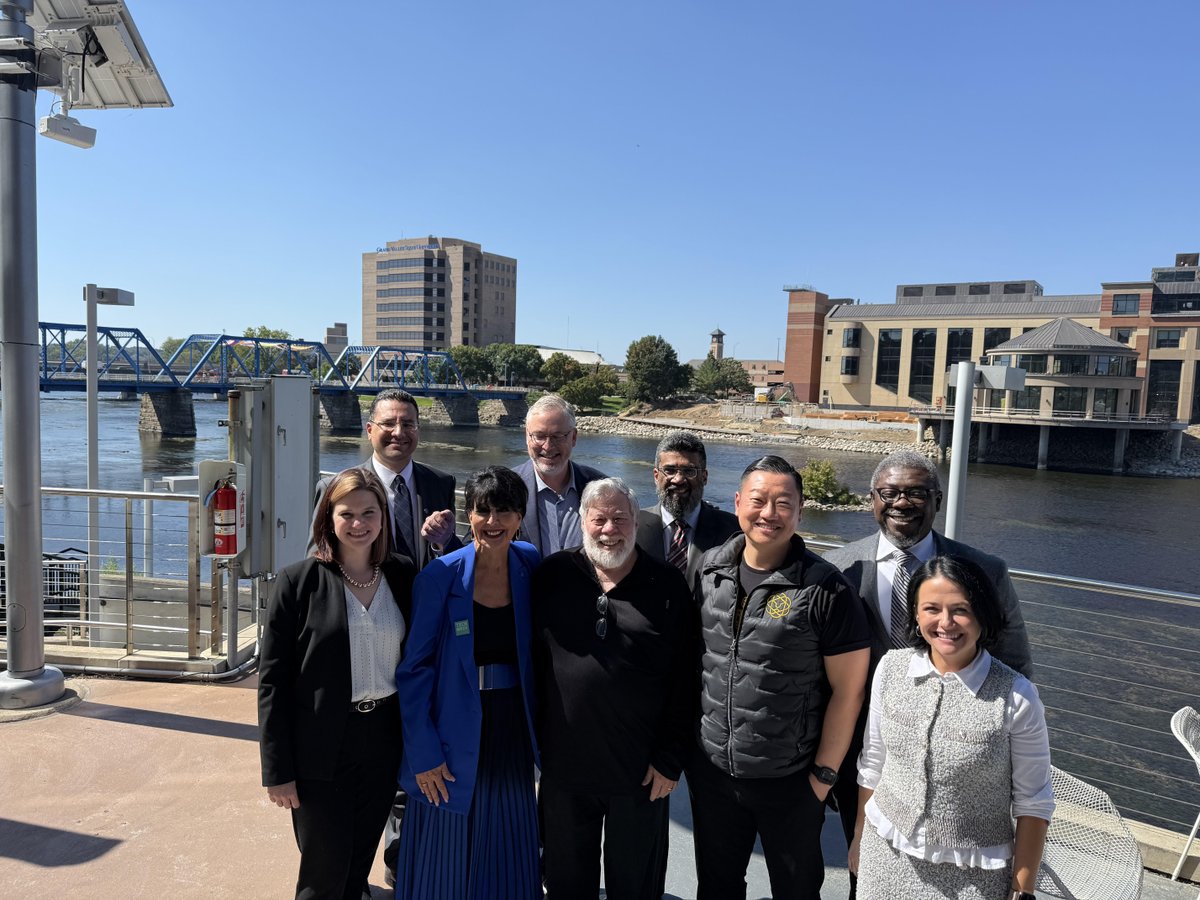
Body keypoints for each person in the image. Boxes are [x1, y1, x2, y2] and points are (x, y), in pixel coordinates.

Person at [823, 449, 1034, 888]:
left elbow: (1015, 663)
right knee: (863, 866)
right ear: (872, 500)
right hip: (859, 752)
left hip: (964, 768)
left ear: (937, 500)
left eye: (917, 492)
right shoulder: (837, 569)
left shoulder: (985, 571)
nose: (903, 502)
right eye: (890, 492)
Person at [688, 455, 871, 900]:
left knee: (796, 889)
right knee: (716, 886)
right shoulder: (709, 570)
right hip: (715, 773)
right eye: (758, 500)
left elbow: (849, 691)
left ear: (800, 512)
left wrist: (823, 778)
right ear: (737, 504)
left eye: (783, 503)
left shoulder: (825, 589)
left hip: (790, 780)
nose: (769, 513)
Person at [849, 555, 1053, 900]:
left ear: (983, 614)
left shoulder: (1016, 696)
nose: (946, 623)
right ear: (915, 614)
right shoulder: (890, 669)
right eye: (932, 609)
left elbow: (1034, 803)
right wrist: (859, 837)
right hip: (884, 857)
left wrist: (1023, 889)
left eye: (961, 609)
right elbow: (873, 765)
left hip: (974, 879)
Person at [533, 477, 695, 900]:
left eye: (620, 518)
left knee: (635, 886)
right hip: (565, 770)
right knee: (565, 885)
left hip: (641, 772)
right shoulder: (552, 576)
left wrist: (669, 759)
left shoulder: (668, 585)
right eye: (599, 519)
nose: (609, 529)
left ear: (636, 521)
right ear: (582, 521)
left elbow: (687, 678)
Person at [258, 468, 417, 899]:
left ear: (383, 518)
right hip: (319, 748)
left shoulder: (403, 575)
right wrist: (277, 771)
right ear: (327, 518)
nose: (359, 523)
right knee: (322, 874)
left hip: (382, 742)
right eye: (347, 514)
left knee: (355, 871)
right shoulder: (298, 582)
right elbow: (272, 681)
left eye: (369, 512)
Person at [394, 465, 542, 900]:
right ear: (468, 515)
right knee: (445, 841)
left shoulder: (528, 563)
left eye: (505, 512)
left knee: (508, 838)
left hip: (510, 724)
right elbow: (414, 671)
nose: (493, 522)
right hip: (452, 725)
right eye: (483, 511)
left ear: (520, 517)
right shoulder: (440, 577)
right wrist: (423, 754)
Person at [311, 388, 460, 567]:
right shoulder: (334, 488)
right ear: (369, 430)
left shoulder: (441, 483)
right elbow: (317, 559)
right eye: (388, 423)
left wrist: (441, 543)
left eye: (408, 424)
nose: (398, 432)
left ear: (418, 429)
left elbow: (453, 554)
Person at [634, 430, 739, 586]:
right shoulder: (632, 527)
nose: (678, 479)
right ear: (656, 476)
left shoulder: (733, 532)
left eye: (689, 471)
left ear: (704, 477)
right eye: (669, 470)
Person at [514, 394, 605, 554]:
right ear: (526, 437)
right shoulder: (506, 487)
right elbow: (475, 546)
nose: (548, 447)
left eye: (558, 436)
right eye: (539, 436)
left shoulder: (601, 486)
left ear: (574, 437)